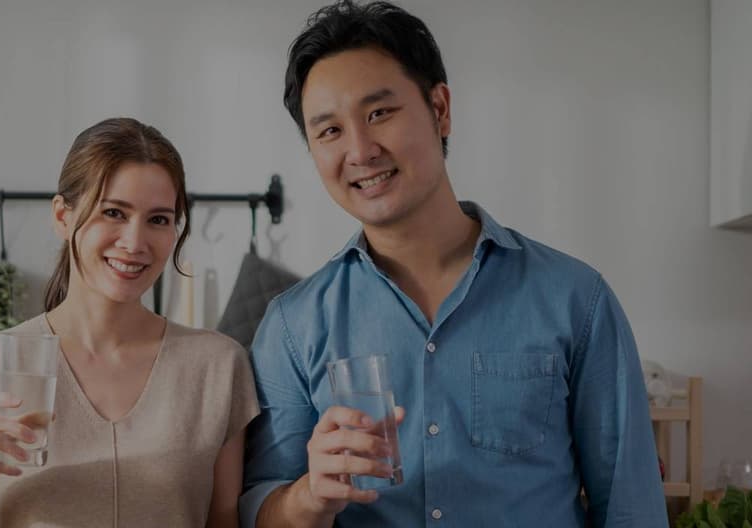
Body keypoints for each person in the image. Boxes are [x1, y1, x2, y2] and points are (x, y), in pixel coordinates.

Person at [240, 2, 666, 526]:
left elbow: (631, 507)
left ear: (439, 108)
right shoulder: (292, 325)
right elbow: (258, 506)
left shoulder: (578, 299)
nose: (360, 150)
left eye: (379, 113)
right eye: (329, 131)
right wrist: (309, 496)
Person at [0, 117, 259, 528]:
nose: (135, 243)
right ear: (63, 217)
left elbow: (223, 522)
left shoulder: (219, 367)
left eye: (158, 219)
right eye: (114, 212)